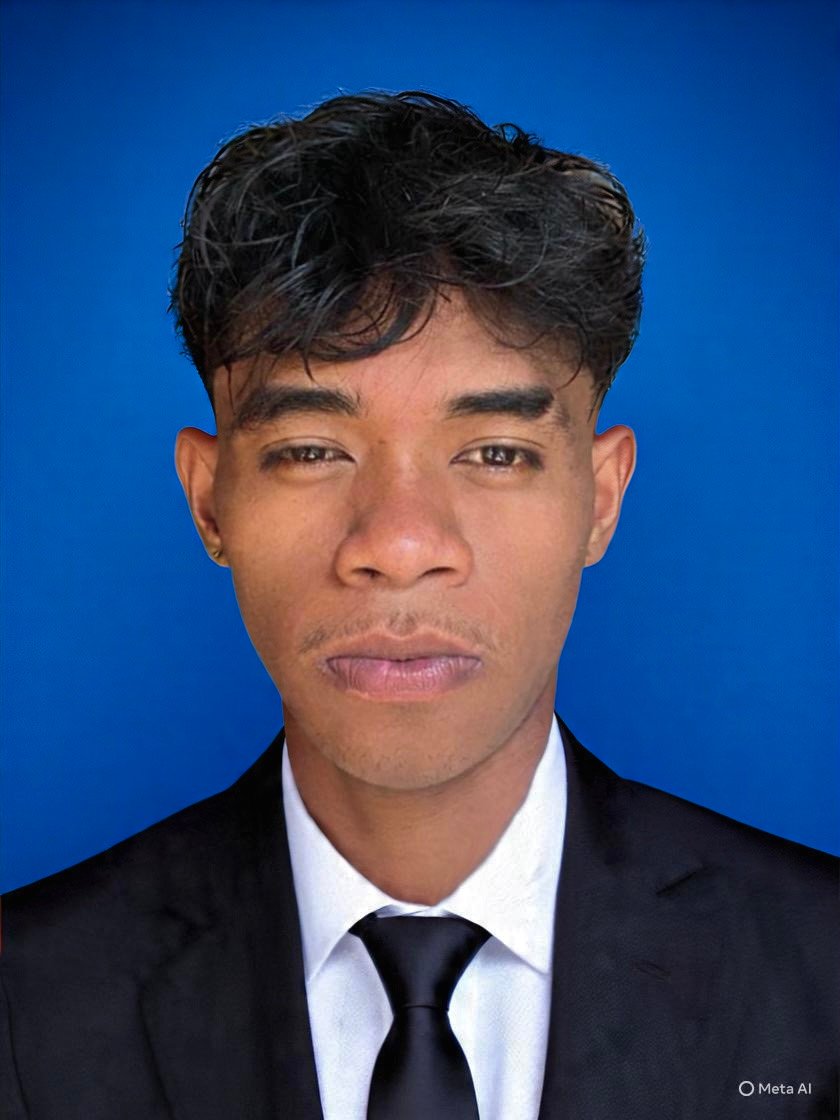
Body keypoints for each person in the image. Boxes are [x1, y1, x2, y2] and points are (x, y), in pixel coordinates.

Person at [1, 90, 836, 1120]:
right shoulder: (26, 1003)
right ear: (210, 501)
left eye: (496, 453)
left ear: (602, 497)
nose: (399, 546)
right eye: (313, 450)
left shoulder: (820, 975)